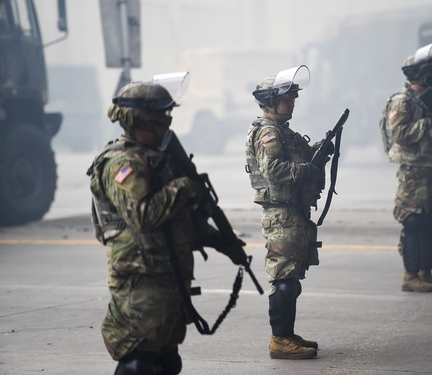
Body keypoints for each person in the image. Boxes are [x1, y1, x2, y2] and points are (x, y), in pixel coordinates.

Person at [88, 80, 247, 374]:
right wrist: (185, 187)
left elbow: (179, 221)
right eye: (161, 118)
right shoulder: (122, 164)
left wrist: (222, 242)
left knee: (167, 361)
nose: (166, 125)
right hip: (141, 280)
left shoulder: (157, 161)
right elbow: (144, 215)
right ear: (139, 121)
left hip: (168, 277)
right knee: (139, 362)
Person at [246, 65, 329, 359]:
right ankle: (280, 341)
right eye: (287, 98)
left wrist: (320, 149)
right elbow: (273, 170)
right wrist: (307, 169)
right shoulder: (268, 133)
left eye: (293, 98)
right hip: (281, 214)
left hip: (293, 211)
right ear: (270, 102)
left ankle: (286, 335)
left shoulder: (284, 132)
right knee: (284, 278)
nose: (292, 102)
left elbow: (297, 158)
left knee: (292, 277)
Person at [384, 43, 432, 292]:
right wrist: (428, 124)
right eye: (431, 70)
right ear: (420, 74)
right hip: (415, 171)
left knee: (431, 220)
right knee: (414, 221)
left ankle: (426, 272)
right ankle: (410, 276)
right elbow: (400, 134)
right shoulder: (402, 101)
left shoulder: (428, 98)